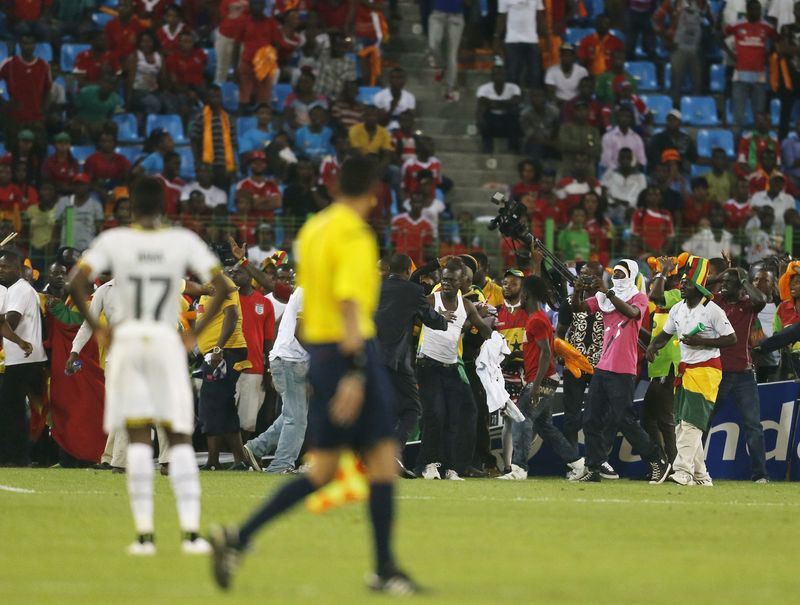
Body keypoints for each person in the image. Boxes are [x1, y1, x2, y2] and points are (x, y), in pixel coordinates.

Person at [210, 156, 421, 595]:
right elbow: (348, 304)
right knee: (380, 461)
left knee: (324, 470)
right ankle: (383, 569)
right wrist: (358, 370)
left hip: (322, 355)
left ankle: (239, 538)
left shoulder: (315, 229)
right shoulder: (356, 235)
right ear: (374, 193)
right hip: (350, 353)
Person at [67, 176, 229, 555]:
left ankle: (144, 538)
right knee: (178, 438)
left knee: (138, 438)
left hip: (126, 344)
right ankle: (191, 535)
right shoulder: (181, 241)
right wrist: (194, 335)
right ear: (164, 207)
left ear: (130, 207)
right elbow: (220, 288)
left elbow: (75, 284)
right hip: (165, 342)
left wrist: (98, 331)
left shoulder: (113, 241)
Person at [572, 259, 672, 483]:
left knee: (624, 419)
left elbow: (632, 313)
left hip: (624, 369)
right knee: (590, 419)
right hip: (602, 367)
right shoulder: (604, 299)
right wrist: (577, 293)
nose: (616, 278)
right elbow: (578, 308)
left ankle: (657, 459)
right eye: (614, 274)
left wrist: (607, 292)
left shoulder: (638, 297)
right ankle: (593, 467)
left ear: (631, 275)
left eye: (620, 274)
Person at [647, 256, 737, 486]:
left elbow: (731, 338)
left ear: (698, 286)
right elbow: (665, 334)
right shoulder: (677, 308)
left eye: (686, 283)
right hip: (685, 371)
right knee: (682, 423)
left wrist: (703, 342)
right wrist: (652, 347)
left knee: (691, 422)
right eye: (682, 282)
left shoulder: (712, 310)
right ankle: (701, 475)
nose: (681, 286)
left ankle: (683, 471)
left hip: (707, 370)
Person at [501, 276, 586, 480]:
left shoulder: (537, 320)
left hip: (542, 380)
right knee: (545, 426)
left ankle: (519, 468)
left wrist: (535, 385)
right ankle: (578, 464)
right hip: (545, 378)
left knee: (522, 416)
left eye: (521, 292)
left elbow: (546, 353)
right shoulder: (536, 318)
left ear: (526, 294)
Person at [375, 254, 449, 476]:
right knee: (412, 409)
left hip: (370, 359)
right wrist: (444, 319)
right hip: (396, 361)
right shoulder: (413, 292)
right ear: (408, 270)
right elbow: (433, 320)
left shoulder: (375, 289)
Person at [241, 285, 310, 474]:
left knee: (292, 414)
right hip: (290, 360)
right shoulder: (309, 288)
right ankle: (281, 465)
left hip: (291, 359)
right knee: (296, 418)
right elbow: (300, 330)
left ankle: (256, 448)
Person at [195, 249, 251, 471]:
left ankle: (213, 461)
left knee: (210, 403)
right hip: (218, 352)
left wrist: (218, 349)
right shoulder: (210, 285)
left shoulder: (222, 283)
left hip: (225, 352)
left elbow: (232, 316)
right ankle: (239, 460)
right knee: (224, 404)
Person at [713, 268, 770, 482]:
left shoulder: (748, 305)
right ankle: (691, 468)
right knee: (703, 421)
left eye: (729, 283)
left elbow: (761, 298)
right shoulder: (716, 302)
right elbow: (697, 287)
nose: (724, 286)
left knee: (753, 425)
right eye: (722, 282)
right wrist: (720, 276)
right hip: (717, 373)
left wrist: (743, 279)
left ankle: (760, 474)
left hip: (744, 375)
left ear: (740, 285)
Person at [0, 250, 48, 466]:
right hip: (22, 360)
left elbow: (10, 322)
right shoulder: (12, 290)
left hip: (24, 361)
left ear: (18, 269)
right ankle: (19, 456)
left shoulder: (20, 290)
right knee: (15, 411)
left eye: (6, 267)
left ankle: (16, 457)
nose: (1, 271)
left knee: (14, 412)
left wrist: (18, 342)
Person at [556, 262, 606, 452]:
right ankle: (573, 460)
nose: (583, 279)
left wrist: (605, 291)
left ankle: (598, 459)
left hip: (600, 366)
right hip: (574, 364)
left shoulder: (609, 302)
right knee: (572, 415)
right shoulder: (570, 302)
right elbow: (560, 333)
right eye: (581, 275)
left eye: (589, 276)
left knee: (599, 414)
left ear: (599, 278)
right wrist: (561, 352)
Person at [227, 262, 275, 440]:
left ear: (249, 276)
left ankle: (243, 454)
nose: (233, 275)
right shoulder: (226, 299)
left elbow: (268, 340)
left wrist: (268, 369)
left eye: (238, 272)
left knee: (247, 420)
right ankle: (232, 456)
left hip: (254, 367)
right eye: (231, 272)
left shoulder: (264, 303)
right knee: (224, 415)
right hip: (229, 365)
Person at [724, 1, 776, 136]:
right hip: (740, 76)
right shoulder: (737, 25)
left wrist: (769, 55)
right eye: (756, 10)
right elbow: (719, 36)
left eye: (759, 10)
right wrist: (731, 55)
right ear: (748, 10)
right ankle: (736, 146)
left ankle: (757, 145)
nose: (759, 13)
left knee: (759, 115)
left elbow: (777, 40)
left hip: (759, 76)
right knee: (738, 115)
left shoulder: (766, 27)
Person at [0, 32, 52, 146]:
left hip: (36, 118)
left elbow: (48, 90)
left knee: (39, 151)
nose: (27, 46)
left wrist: (43, 112)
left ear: (35, 45)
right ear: (20, 45)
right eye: (25, 43)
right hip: (15, 118)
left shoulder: (43, 65)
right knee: (14, 151)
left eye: (30, 43)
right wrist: (3, 103)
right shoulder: (9, 63)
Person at [653, 0, 710, 104]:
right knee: (676, 81)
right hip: (678, 46)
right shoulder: (672, 2)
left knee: (698, 82)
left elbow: (711, 19)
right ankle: (675, 109)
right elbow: (657, 18)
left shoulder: (701, 2)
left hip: (695, 47)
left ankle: (694, 107)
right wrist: (665, 36)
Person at [189, 86, 238, 188]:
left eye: (218, 96)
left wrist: (234, 165)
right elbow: (194, 140)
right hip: (207, 165)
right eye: (212, 97)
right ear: (207, 99)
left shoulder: (228, 119)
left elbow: (233, 144)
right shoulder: (201, 117)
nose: (215, 99)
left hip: (224, 165)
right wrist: (198, 163)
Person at [494, 0, 545, 88]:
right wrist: (496, 37)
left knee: (535, 74)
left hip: (531, 39)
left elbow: (540, 16)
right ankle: (514, 100)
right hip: (512, 40)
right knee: (512, 75)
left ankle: (532, 100)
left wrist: (546, 37)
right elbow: (502, 17)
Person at [476, 65, 522, 154]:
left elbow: (516, 101)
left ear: (506, 76)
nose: (499, 77)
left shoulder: (513, 87)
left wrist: (493, 103)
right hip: (491, 119)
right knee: (482, 113)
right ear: (492, 77)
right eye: (496, 74)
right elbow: (481, 103)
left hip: (507, 118)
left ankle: (513, 147)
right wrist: (505, 103)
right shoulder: (484, 88)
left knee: (515, 113)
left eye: (501, 74)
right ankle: (487, 147)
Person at [53, 174, 105, 251]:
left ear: (88, 186)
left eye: (82, 185)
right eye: (76, 185)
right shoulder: (63, 201)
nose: (79, 187)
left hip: (88, 248)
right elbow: (56, 225)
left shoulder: (95, 204)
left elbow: (99, 228)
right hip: (66, 248)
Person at [428, 0, 466, 102]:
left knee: (452, 55)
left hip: (456, 15)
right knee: (433, 45)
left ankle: (450, 89)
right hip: (437, 13)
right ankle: (440, 66)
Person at [646, 110, 698, 174]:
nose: (671, 122)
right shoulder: (657, 138)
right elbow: (655, 161)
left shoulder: (686, 139)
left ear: (680, 122)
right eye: (669, 119)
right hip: (661, 173)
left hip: (680, 173)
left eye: (674, 119)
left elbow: (694, 157)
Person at [600, 105, 647, 171]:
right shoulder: (608, 137)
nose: (624, 119)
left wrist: (630, 170)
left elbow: (642, 161)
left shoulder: (637, 138)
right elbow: (606, 162)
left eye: (627, 117)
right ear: (617, 118)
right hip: (613, 173)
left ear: (631, 119)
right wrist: (621, 171)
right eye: (622, 116)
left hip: (632, 173)